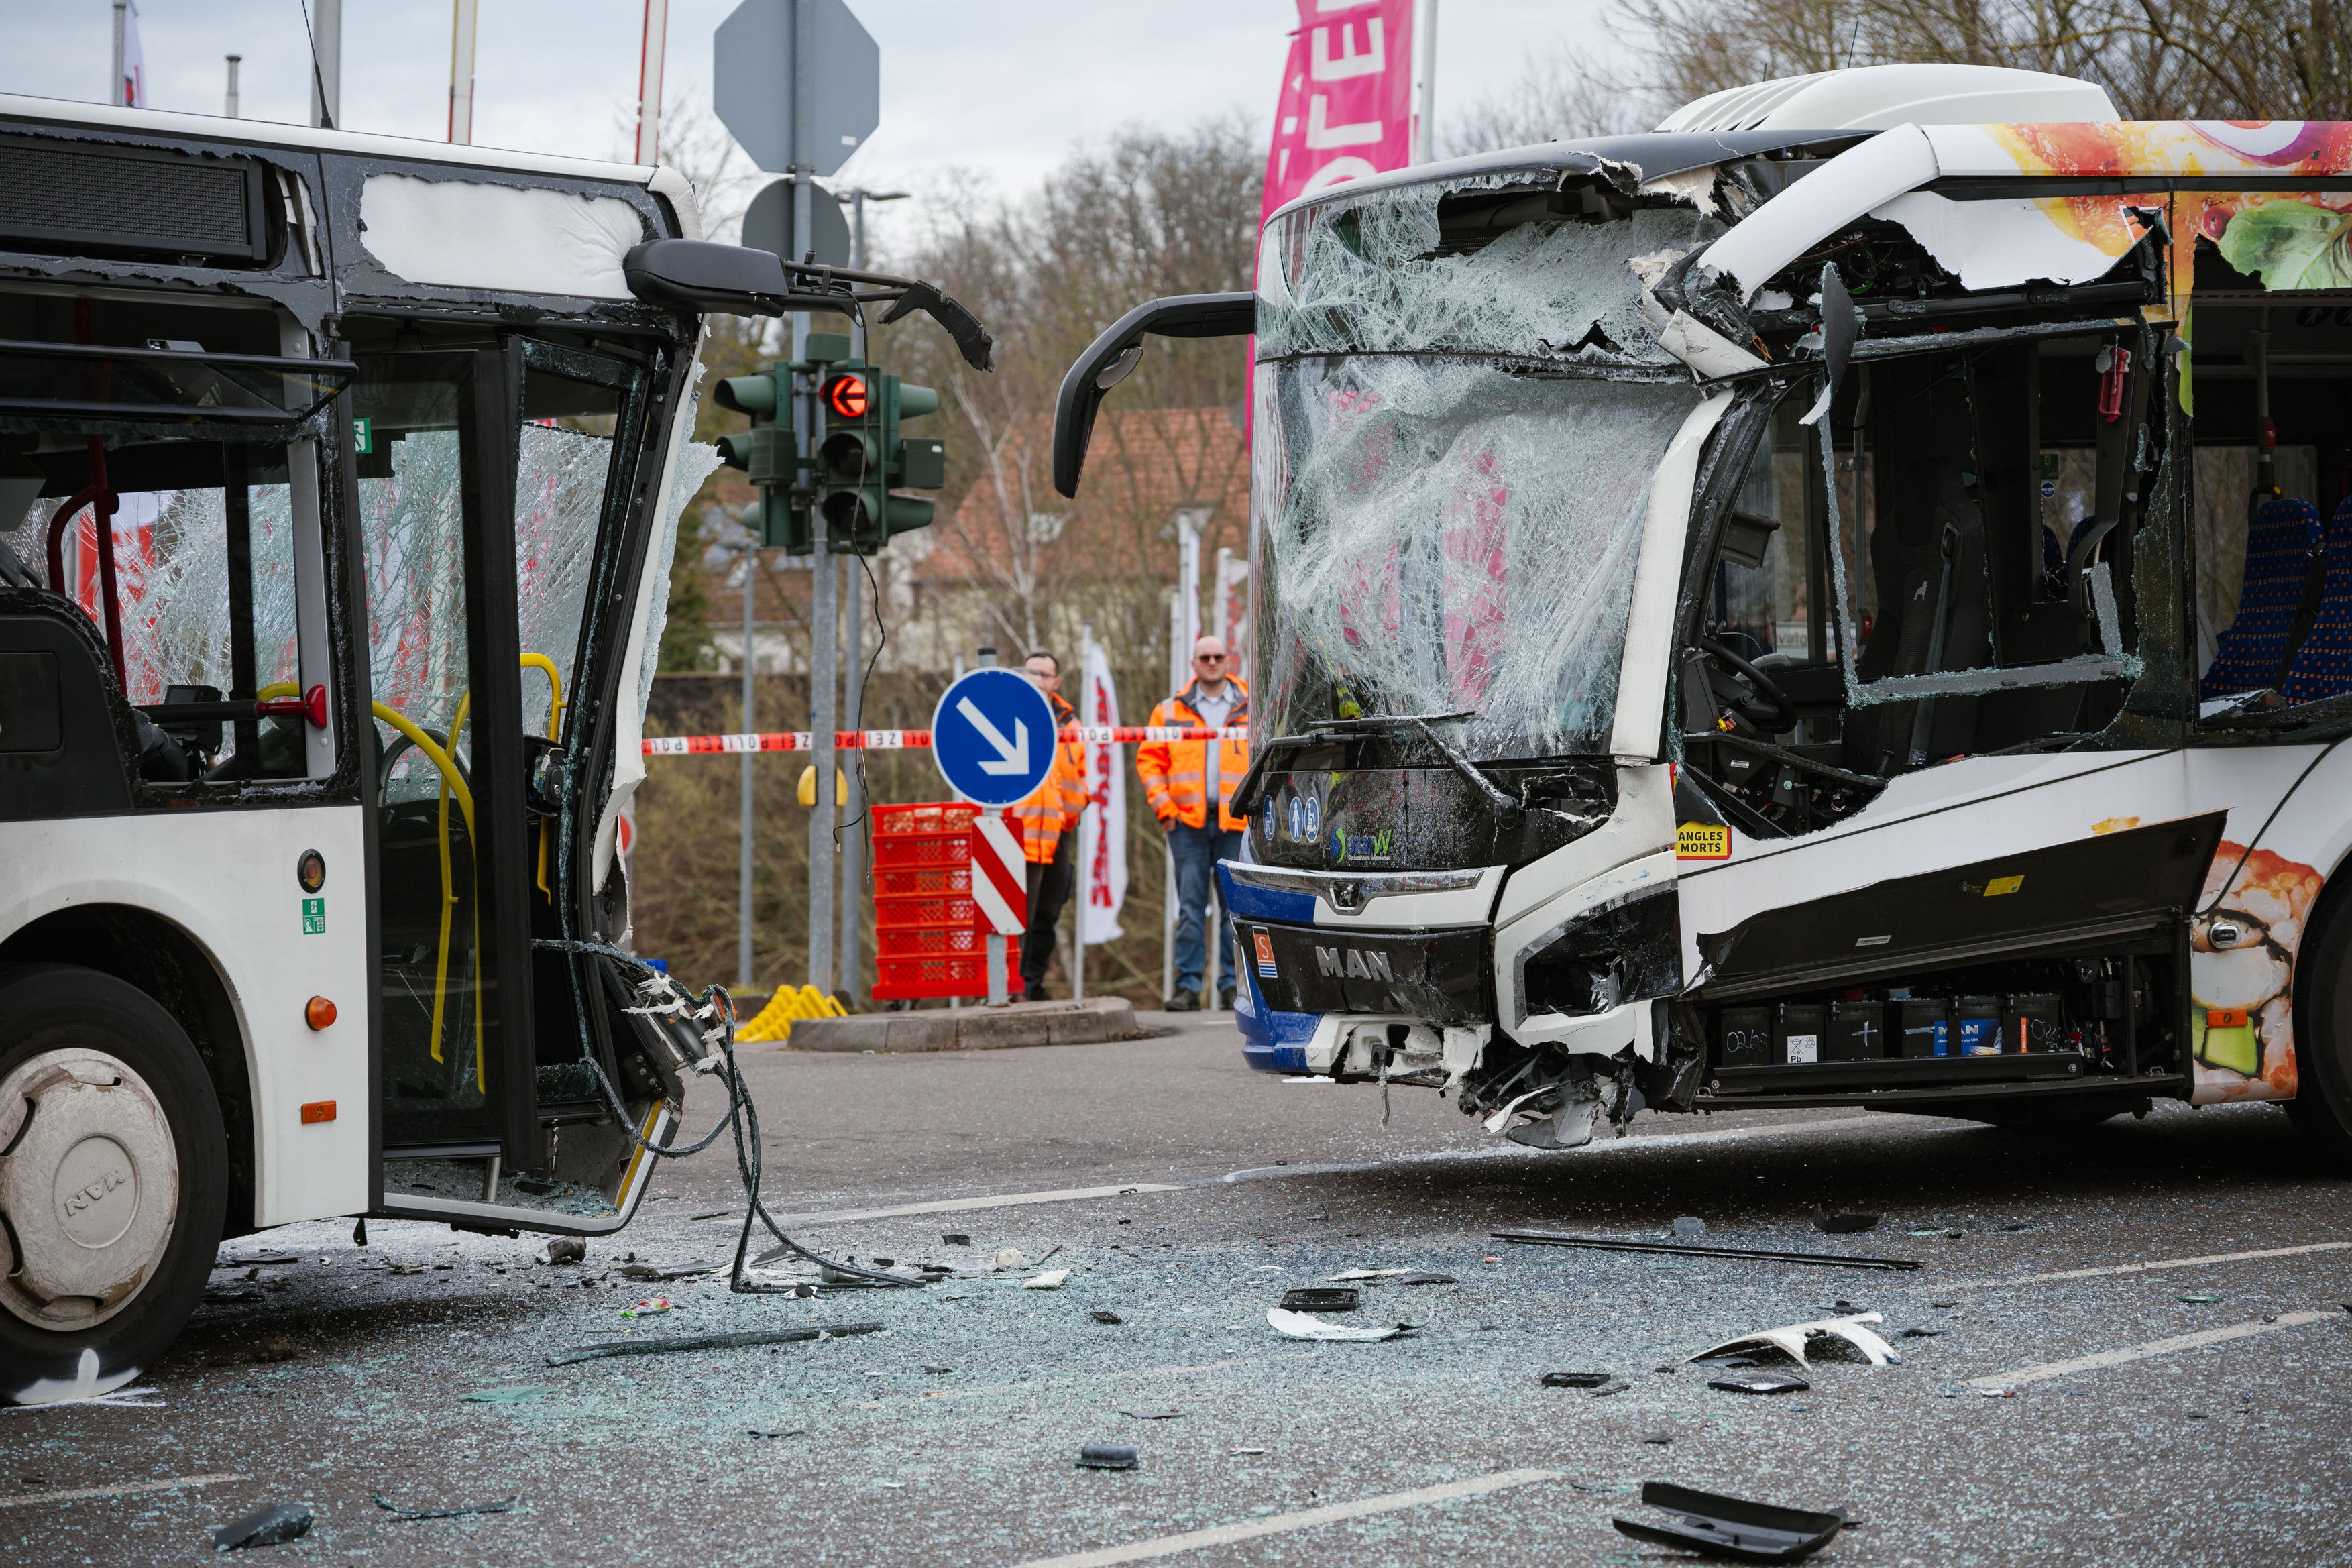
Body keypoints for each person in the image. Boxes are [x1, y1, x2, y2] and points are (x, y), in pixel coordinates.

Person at [1135, 635, 1249, 1011]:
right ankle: (1187, 987)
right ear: (1194, 663)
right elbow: (1149, 761)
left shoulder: (1254, 703)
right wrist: (1165, 808)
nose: (1213, 662)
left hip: (1237, 821)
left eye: (1218, 656)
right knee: (1190, 908)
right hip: (1185, 823)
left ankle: (1232, 985)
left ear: (1228, 660)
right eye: (1206, 657)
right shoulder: (1168, 710)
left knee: (1234, 909)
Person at [1013, 650, 1087, 1001]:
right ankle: (1010, 984)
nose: (1037, 680)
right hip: (1018, 832)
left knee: (1049, 911)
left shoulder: (1070, 722)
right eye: (1031, 673)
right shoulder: (1008, 712)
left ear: (1056, 682)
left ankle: (1031, 981)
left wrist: (1070, 817)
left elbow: (1079, 777)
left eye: (1044, 675)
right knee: (1015, 914)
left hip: (1058, 831)